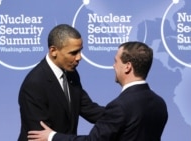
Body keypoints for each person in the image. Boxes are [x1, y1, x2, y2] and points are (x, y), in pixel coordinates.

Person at [27, 41, 168, 141]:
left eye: (116, 61)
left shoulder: (120, 107)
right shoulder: (159, 104)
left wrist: (52, 136)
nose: (113, 66)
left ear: (127, 67)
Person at [18, 24, 105, 141]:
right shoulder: (34, 84)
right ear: (53, 51)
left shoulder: (71, 73)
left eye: (80, 51)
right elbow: (40, 136)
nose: (79, 57)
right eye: (73, 53)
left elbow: (89, 109)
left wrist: (124, 114)